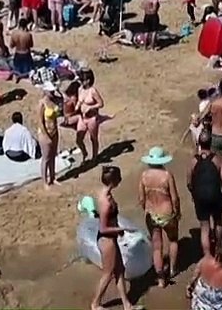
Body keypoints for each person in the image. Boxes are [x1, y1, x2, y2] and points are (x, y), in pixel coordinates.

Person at [90, 165, 139, 310]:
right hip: (107, 240)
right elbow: (103, 228)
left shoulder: (105, 193)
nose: (121, 179)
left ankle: (127, 304)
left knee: (119, 270)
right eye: (119, 177)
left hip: (110, 238)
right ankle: (95, 303)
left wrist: (118, 230)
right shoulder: (106, 202)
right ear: (113, 180)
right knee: (108, 273)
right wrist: (122, 229)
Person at [138, 146, 181, 287]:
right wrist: (177, 211)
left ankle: (161, 278)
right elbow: (174, 198)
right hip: (167, 212)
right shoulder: (167, 175)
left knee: (157, 247)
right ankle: (173, 269)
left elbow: (141, 198)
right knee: (173, 240)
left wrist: (146, 209)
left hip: (151, 213)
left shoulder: (144, 176)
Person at [187, 131, 222, 257]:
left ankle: (207, 256)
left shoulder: (193, 161)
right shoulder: (218, 160)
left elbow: (189, 182)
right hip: (215, 195)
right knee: (218, 222)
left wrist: (194, 194)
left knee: (204, 227)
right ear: (210, 143)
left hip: (200, 197)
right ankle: (219, 247)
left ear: (199, 143)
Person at [75, 68, 105, 163]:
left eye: (82, 80)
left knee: (93, 138)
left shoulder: (93, 91)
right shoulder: (80, 89)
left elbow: (101, 104)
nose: (80, 82)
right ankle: (84, 152)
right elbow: (80, 100)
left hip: (92, 118)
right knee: (79, 139)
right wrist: (77, 106)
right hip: (82, 118)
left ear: (88, 80)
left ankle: (95, 157)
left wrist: (91, 107)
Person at [37, 81, 62, 184]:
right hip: (45, 133)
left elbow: (63, 100)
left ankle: (52, 177)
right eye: (50, 90)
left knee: (53, 155)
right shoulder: (42, 103)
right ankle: (45, 181)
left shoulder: (55, 100)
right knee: (46, 158)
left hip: (54, 131)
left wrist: (59, 92)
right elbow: (40, 121)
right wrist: (46, 136)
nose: (52, 92)